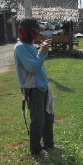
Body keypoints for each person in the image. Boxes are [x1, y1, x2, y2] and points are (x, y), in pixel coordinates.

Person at [14, 17, 56, 157]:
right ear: (27, 32)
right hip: (34, 89)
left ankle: (49, 145)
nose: (37, 35)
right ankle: (36, 150)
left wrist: (41, 49)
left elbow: (38, 61)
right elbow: (33, 67)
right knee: (38, 120)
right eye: (35, 32)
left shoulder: (30, 45)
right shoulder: (20, 47)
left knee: (48, 118)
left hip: (43, 87)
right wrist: (42, 51)